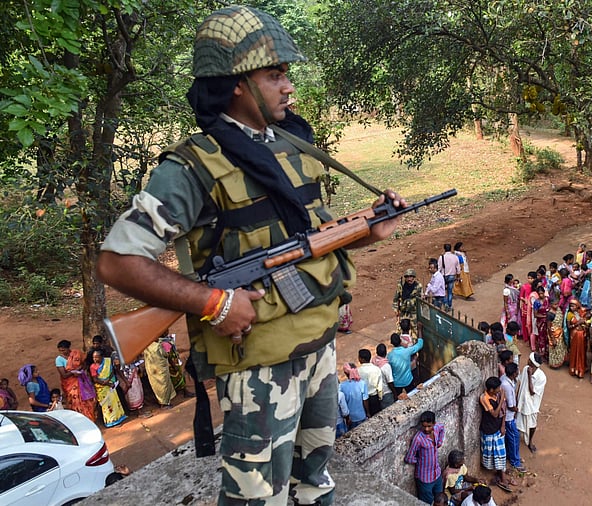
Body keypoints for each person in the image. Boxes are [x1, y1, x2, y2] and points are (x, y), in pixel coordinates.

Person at [95, 6, 406, 504]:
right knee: (257, 497)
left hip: (318, 347)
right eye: (275, 75)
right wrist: (213, 303)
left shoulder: (292, 143)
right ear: (236, 83)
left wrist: (369, 230)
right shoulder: (193, 166)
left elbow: (309, 239)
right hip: (259, 366)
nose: (289, 87)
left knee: (316, 478)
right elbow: (117, 261)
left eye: (287, 74)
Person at [404, 411, 445, 504]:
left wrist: (439, 442)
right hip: (425, 478)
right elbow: (409, 458)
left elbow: (442, 428)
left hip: (437, 473)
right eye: (424, 426)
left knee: (440, 499)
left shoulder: (437, 428)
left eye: (429, 426)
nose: (426, 429)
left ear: (434, 424)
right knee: (428, 502)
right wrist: (420, 460)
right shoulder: (418, 438)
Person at [479, 377, 512, 492]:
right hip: (489, 430)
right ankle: (501, 476)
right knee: (495, 454)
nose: (500, 389)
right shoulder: (484, 398)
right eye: (497, 388)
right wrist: (502, 398)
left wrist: (503, 425)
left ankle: (502, 476)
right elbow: (495, 413)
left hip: (497, 428)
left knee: (500, 453)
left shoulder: (497, 394)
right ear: (491, 389)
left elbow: (502, 411)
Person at [55, 340, 97, 422]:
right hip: (70, 384)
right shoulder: (59, 360)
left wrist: (80, 369)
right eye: (60, 351)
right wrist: (73, 372)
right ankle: (80, 420)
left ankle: (89, 419)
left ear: (68, 348)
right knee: (75, 402)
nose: (62, 352)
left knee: (86, 401)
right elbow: (64, 375)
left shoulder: (76, 354)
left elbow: (84, 364)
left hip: (82, 380)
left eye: (64, 350)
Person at [516, 353, 546, 454]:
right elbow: (520, 383)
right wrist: (517, 398)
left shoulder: (541, 377)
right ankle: (517, 440)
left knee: (532, 424)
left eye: (529, 360)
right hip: (522, 401)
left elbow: (532, 392)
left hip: (532, 405)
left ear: (532, 363)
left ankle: (530, 441)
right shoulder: (525, 369)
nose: (527, 360)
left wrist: (529, 375)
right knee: (518, 421)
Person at [89, 350, 128, 427]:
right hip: (102, 388)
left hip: (111, 384)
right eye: (93, 357)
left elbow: (112, 371)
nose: (95, 359)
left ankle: (118, 418)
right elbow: (95, 379)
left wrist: (109, 380)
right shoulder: (92, 367)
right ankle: (111, 421)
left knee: (114, 402)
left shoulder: (108, 361)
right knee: (107, 405)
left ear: (101, 357)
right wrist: (106, 383)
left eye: (97, 357)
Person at [500, 363, 525, 473]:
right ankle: (515, 461)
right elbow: (510, 406)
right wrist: (517, 409)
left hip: (507, 417)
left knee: (511, 438)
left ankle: (512, 456)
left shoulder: (504, 379)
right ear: (514, 373)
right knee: (514, 438)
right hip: (509, 418)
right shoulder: (508, 387)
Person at [339, 363, 368, 429]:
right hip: (362, 415)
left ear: (345, 373)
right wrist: (368, 413)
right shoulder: (362, 383)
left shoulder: (342, 386)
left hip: (351, 418)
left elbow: (343, 404)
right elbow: (365, 400)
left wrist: (347, 418)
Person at [357, 349, 385, 416]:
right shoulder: (376, 369)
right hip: (374, 397)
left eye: (359, 357)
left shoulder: (357, 371)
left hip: (363, 399)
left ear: (362, 359)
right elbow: (380, 386)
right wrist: (380, 398)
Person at [566, 299, 589, 378]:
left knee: (581, 351)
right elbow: (569, 327)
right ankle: (574, 368)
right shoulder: (569, 314)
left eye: (574, 306)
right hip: (574, 335)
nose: (572, 308)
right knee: (575, 351)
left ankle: (581, 369)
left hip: (581, 335)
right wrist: (577, 324)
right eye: (571, 306)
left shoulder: (579, 313)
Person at [372, 343, 396, 407]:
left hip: (377, 391)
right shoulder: (386, 366)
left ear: (376, 352)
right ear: (386, 353)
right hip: (386, 392)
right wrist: (395, 393)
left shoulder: (373, 361)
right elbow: (390, 382)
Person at [439, 243, 461, 309]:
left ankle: (445, 303)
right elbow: (458, 268)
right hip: (452, 276)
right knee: (450, 291)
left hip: (444, 276)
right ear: (450, 248)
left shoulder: (441, 257)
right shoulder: (455, 257)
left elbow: (439, 268)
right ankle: (450, 305)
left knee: (443, 291)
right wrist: (458, 277)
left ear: (444, 249)